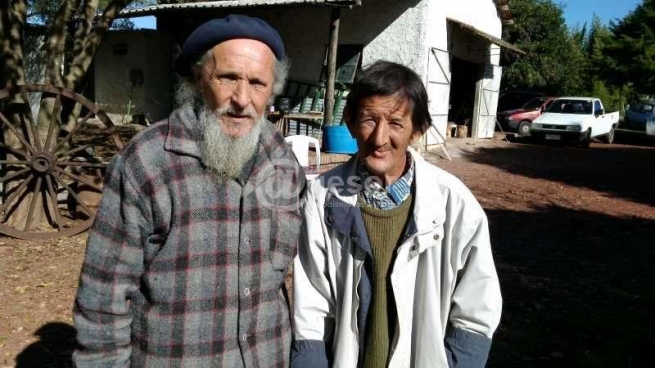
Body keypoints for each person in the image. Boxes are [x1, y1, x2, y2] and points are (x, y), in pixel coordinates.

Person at [73, 15, 305, 367]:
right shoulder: (147, 161)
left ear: (272, 89)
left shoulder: (284, 164)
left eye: (258, 83)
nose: (242, 99)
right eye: (228, 78)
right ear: (198, 78)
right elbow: (104, 297)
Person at [291, 61, 502, 368]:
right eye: (368, 120)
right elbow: (310, 305)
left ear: (417, 130)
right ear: (350, 123)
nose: (379, 138)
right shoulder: (323, 196)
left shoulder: (455, 205)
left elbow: (476, 311)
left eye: (395, 123)